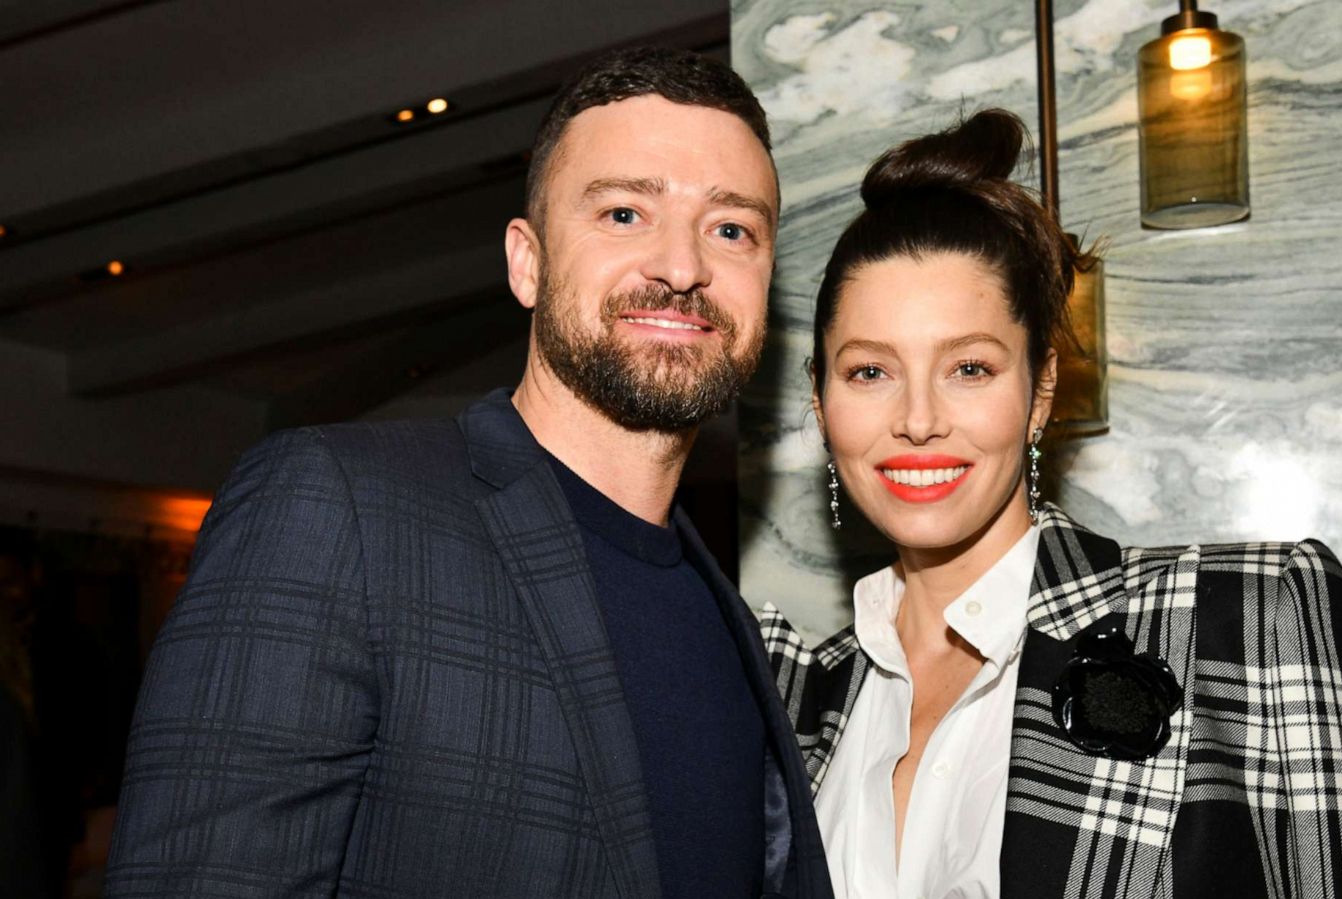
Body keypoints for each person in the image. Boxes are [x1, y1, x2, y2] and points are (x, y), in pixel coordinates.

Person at [106, 47, 830, 899]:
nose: (681, 267)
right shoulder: (336, 507)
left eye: (732, 228)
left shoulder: (728, 618)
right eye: (626, 213)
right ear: (527, 262)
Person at [761, 109, 1342, 899]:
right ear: (821, 405)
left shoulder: (1246, 622)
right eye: (869, 372)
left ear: (1040, 392)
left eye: (970, 368)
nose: (918, 418)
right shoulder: (788, 704)